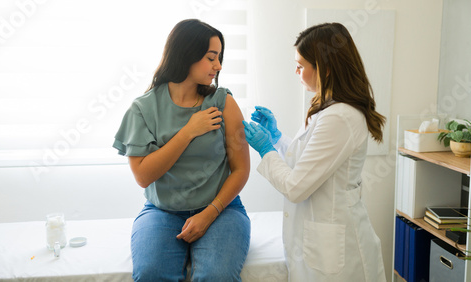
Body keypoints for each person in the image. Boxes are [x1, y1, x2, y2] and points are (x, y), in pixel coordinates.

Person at [243, 22, 387, 281]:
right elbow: (309, 161)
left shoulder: (340, 117)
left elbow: (296, 187)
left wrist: (265, 149)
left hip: (336, 249)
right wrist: (277, 139)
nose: (296, 71)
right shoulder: (329, 109)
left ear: (326, 68)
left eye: (301, 65)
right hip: (322, 240)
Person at [113, 19, 251, 282]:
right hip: (162, 211)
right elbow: (143, 176)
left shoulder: (224, 102)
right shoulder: (143, 109)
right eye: (211, 57)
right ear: (186, 54)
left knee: (216, 276)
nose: (218, 66)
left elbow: (241, 169)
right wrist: (188, 131)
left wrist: (209, 213)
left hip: (222, 209)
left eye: (219, 57)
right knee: (151, 274)